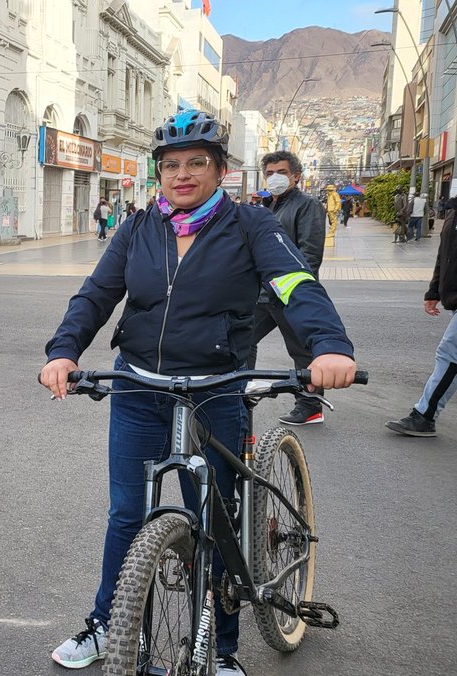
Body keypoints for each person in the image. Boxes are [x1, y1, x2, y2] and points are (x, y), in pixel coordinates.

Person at [40, 110, 357, 676]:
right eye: (171, 165)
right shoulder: (139, 227)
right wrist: (64, 350)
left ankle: (225, 647)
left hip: (216, 389)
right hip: (139, 386)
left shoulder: (251, 226)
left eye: (196, 163)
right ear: (158, 173)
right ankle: (104, 625)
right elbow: (96, 294)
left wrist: (329, 346)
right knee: (125, 515)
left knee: (214, 518)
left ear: (219, 169)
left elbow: (295, 284)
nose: (182, 174)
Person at [250, 150, 329, 425]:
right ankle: (240, 390)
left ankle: (310, 405)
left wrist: (295, 291)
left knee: (302, 350)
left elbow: (310, 254)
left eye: (281, 172)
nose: (275, 178)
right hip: (264, 292)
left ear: (296, 176)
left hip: (290, 293)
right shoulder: (268, 207)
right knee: (241, 336)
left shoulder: (307, 206)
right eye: (270, 173)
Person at [386, 195, 457, 437]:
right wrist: (434, 290)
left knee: (450, 355)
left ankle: (424, 416)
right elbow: (445, 254)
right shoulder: (453, 210)